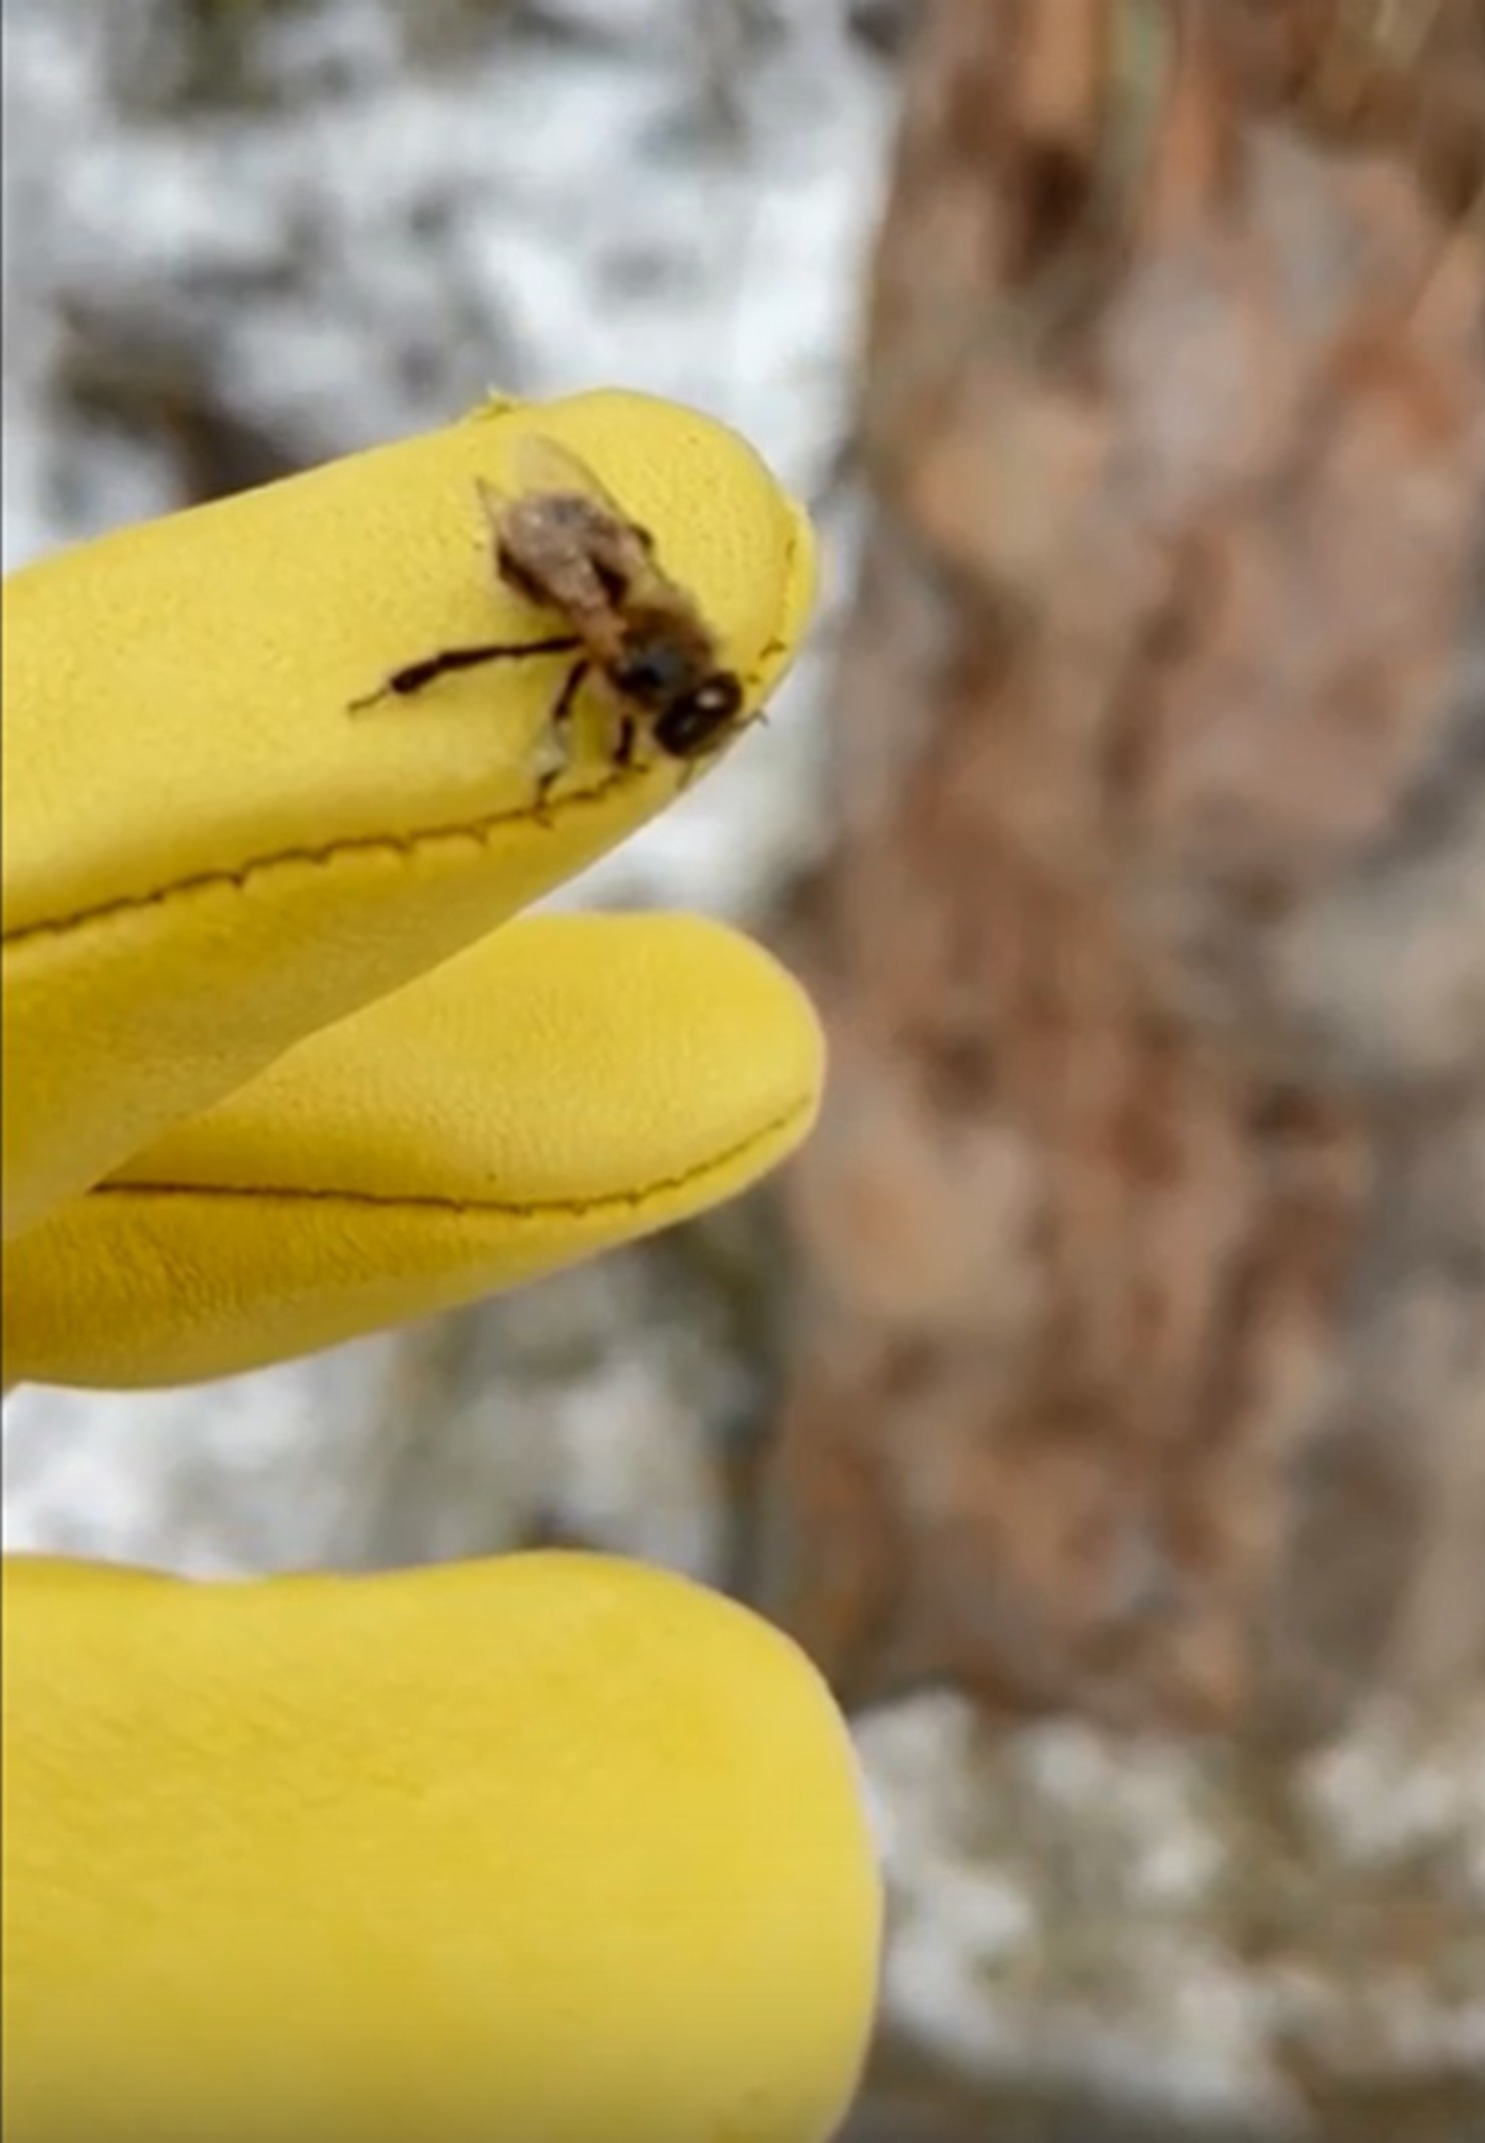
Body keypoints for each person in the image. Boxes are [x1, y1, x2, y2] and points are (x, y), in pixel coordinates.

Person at [0, 388, 881, 2142]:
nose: (657, 718)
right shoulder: (589, 638)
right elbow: (562, 619)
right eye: (660, 707)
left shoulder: (635, 639)